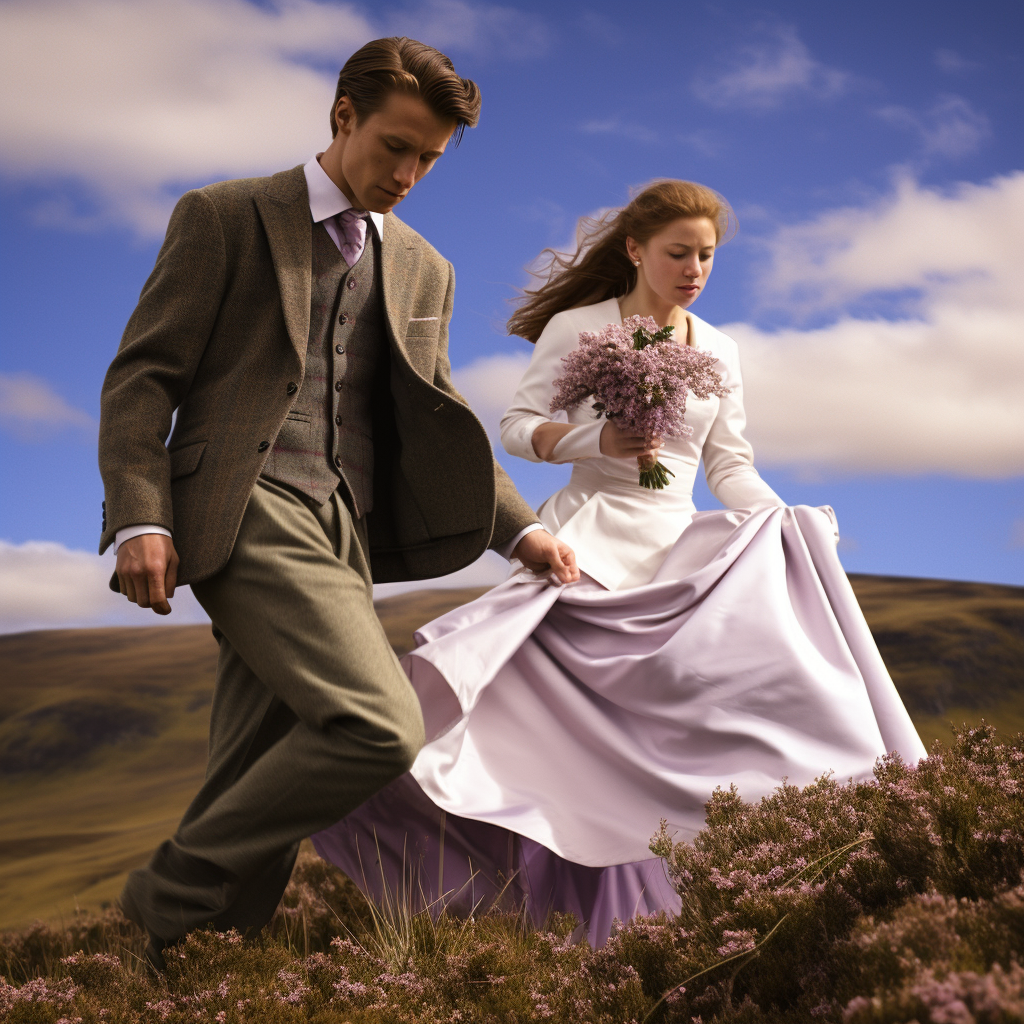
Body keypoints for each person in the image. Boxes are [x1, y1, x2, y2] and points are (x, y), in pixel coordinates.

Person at [311, 178, 927, 945]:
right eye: (679, 252)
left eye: (707, 256)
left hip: (673, 553)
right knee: (536, 729)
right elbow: (515, 426)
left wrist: (779, 519)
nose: (695, 268)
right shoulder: (579, 327)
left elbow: (729, 464)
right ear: (636, 250)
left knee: (691, 730)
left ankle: (662, 924)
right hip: (584, 545)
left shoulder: (722, 349)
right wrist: (593, 443)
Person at [98, 37, 577, 969]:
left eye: (430, 158)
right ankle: (170, 892)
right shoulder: (227, 216)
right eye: (395, 146)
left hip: (347, 532)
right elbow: (144, 378)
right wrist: (141, 515)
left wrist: (521, 533)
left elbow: (444, 418)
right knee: (377, 724)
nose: (409, 172)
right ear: (342, 115)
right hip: (242, 508)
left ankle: (184, 970)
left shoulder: (424, 268)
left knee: (253, 759)